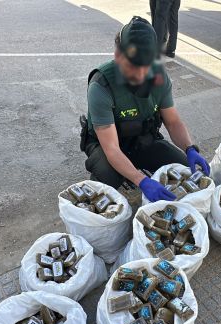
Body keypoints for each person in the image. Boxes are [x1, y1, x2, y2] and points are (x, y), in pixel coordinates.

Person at [81, 16, 209, 202]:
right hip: (107, 145)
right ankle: (117, 176)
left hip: (142, 140)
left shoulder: (160, 78)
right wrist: (141, 180)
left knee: (181, 167)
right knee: (107, 178)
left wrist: (190, 148)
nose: (141, 74)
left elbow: (173, 122)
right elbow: (111, 149)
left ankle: (134, 168)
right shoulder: (101, 86)